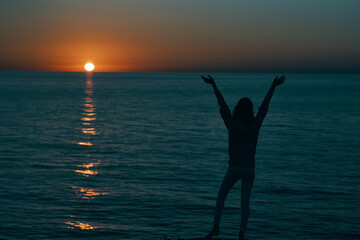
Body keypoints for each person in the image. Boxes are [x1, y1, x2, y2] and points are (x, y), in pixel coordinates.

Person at [202, 74, 286, 240]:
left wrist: (213, 85)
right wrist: (273, 87)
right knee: (245, 202)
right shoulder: (255, 125)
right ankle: (241, 234)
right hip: (249, 169)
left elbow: (222, 105)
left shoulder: (232, 123)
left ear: (238, 109)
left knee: (221, 196)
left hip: (234, 167)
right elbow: (264, 107)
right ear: (250, 110)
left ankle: (216, 228)